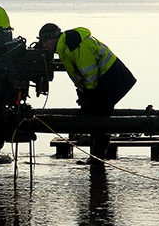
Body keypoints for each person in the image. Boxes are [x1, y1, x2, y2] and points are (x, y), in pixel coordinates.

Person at [38, 23, 136, 170]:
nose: (44, 45)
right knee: (96, 114)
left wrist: (89, 97)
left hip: (115, 78)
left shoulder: (76, 45)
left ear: (53, 39)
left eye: (45, 42)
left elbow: (90, 76)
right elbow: (79, 76)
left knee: (101, 117)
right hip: (102, 81)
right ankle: (96, 158)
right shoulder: (65, 49)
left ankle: (98, 159)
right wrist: (83, 95)